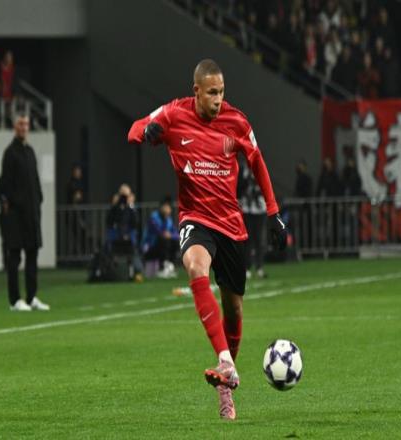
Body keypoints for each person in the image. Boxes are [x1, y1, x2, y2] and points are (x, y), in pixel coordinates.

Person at [128, 59, 287, 420]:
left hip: (230, 224)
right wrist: (147, 132)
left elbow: (257, 161)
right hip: (195, 218)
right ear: (196, 91)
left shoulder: (237, 121)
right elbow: (134, 129)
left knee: (234, 309)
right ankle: (225, 361)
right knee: (195, 267)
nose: (218, 99)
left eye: (222, 92)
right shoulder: (173, 114)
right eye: (212, 93)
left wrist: (273, 212)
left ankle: (225, 383)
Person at [0, 115, 50, 312]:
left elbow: (35, 181)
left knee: (32, 256)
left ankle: (31, 297)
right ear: (15, 126)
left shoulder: (30, 152)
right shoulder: (10, 153)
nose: (24, 127)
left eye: (26, 124)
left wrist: (38, 200)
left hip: (32, 214)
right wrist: (15, 204)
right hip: (16, 215)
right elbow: (5, 184)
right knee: (14, 258)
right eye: (21, 124)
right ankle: (14, 300)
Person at [237, 157, 267, 279]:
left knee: (259, 240)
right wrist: (246, 178)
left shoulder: (261, 169)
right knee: (247, 240)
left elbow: (266, 187)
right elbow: (238, 187)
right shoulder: (242, 170)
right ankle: (247, 268)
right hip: (247, 209)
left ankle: (259, 267)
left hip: (260, 209)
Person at [142, 198, 179, 279]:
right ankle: (162, 267)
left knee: (175, 241)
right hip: (150, 246)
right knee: (164, 240)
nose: (168, 210)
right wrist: (166, 234)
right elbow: (158, 231)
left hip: (163, 245)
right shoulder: (153, 218)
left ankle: (170, 265)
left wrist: (171, 235)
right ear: (161, 207)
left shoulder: (168, 219)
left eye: (169, 208)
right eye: (166, 207)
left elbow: (176, 234)